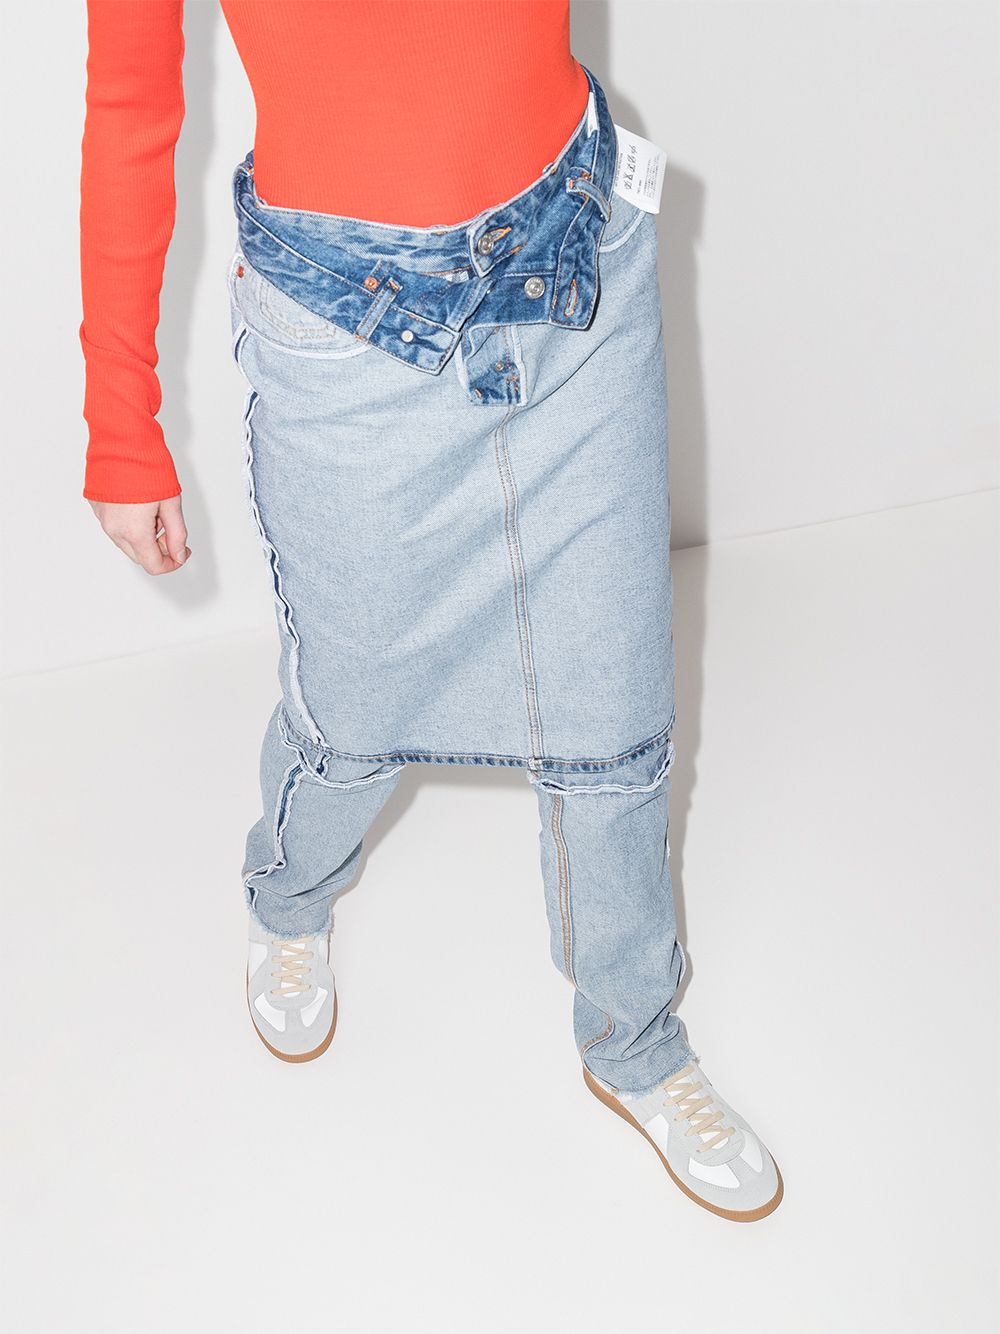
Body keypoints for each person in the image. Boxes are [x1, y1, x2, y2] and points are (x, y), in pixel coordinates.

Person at [80, 0, 782, 1222]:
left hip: (570, 253)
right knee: (352, 713)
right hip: (342, 318)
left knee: (613, 702)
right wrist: (120, 425)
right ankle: (287, 899)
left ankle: (633, 1036)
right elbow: (132, 106)